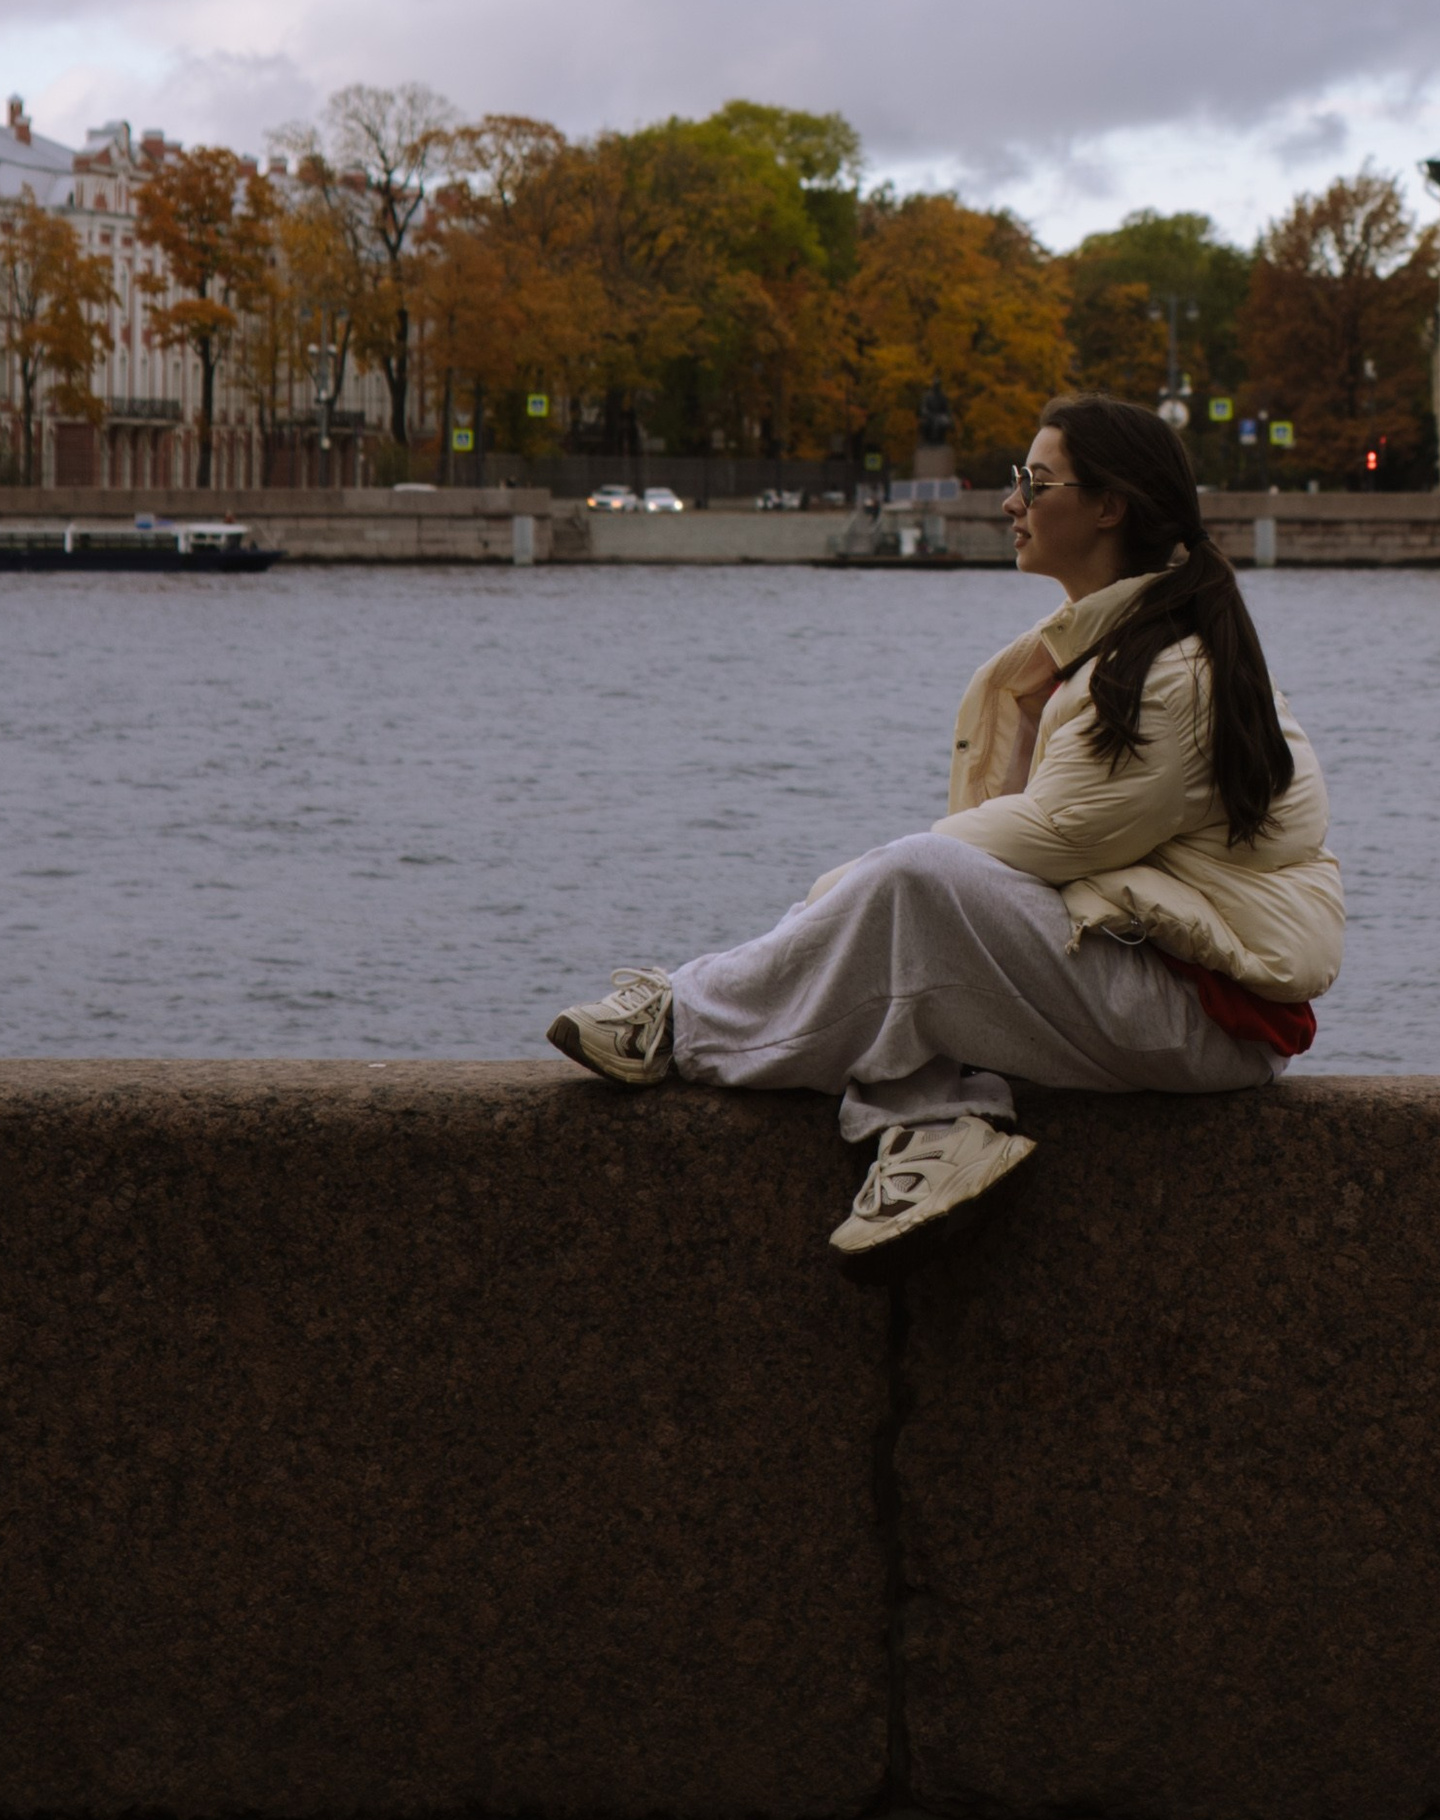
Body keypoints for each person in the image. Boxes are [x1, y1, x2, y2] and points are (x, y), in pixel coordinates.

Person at [547, 393, 1341, 1255]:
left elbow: (1052, 841)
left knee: (914, 888)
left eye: (1035, 484)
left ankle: (678, 1022)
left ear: (1110, 506)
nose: (1011, 504)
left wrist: (845, 892)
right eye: (1017, 483)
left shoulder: (1167, 675)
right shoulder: (1126, 648)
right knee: (914, 922)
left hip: (1206, 1021)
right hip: (1166, 983)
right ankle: (935, 1127)